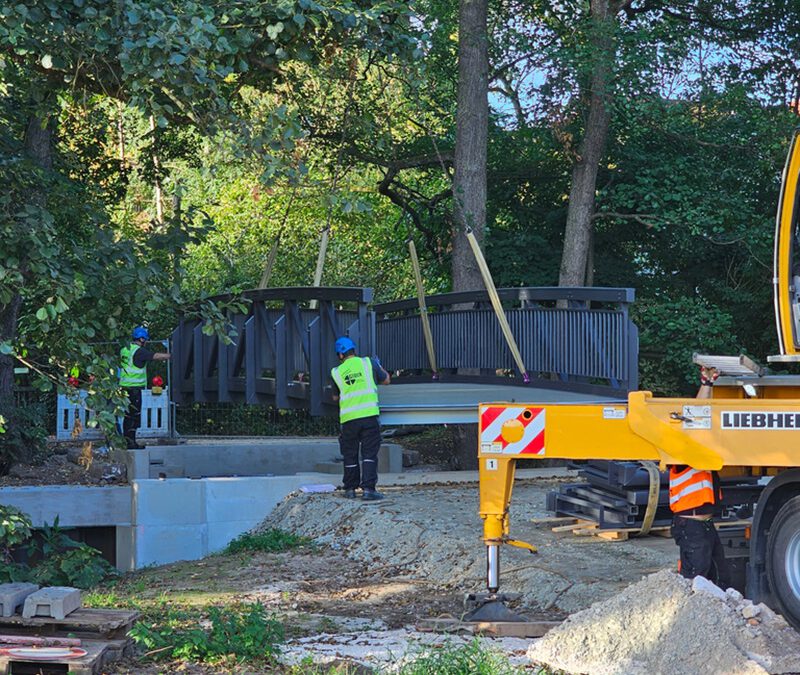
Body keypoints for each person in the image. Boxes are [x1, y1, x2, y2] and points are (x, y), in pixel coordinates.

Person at [669, 365, 728, 585]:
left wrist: (708, 383)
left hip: (704, 525)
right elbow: (697, 416)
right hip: (691, 526)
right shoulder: (681, 453)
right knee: (695, 578)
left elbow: (701, 415)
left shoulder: (700, 452)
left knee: (720, 577)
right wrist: (706, 384)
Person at [330, 336, 390, 501]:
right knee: (369, 454)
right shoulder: (368, 363)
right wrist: (379, 366)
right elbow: (386, 380)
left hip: (348, 419)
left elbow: (335, 397)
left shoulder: (336, 372)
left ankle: (350, 489)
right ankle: (369, 490)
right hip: (369, 416)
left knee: (350, 454)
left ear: (340, 355)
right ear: (353, 350)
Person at [119, 326, 170, 449]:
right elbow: (155, 356)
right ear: (141, 339)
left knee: (128, 415)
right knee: (134, 416)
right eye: (145, 339)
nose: (146, 342)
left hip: (124, 388)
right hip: (134, 388)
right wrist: (170, 355)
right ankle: (130, 442)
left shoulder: (125, 349)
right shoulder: (139, 351)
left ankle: (127, 441)